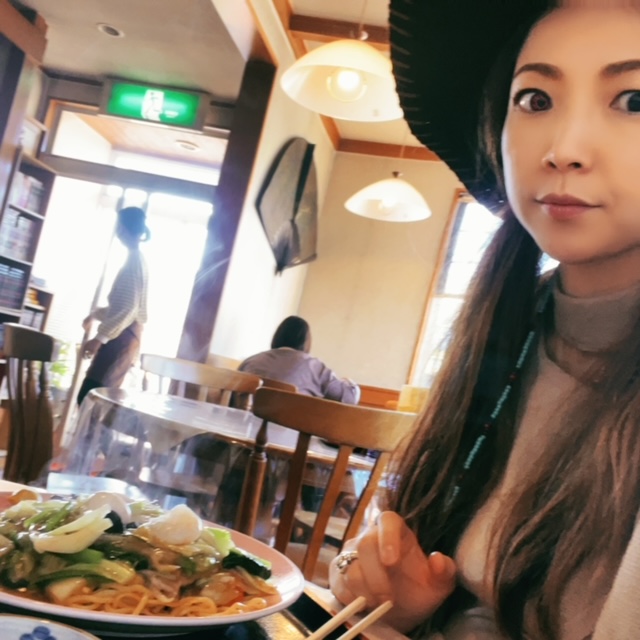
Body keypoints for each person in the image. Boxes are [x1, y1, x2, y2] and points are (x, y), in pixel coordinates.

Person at [329, 2, 640, 639]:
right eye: (535, 99)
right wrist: (402, 604)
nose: (563, 148)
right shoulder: (511, 327)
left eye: (633, 101)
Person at [77, 206, 150, 406]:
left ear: (123, 229)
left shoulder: (134, 262)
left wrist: (99, 338)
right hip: (125, 337)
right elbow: (122, 307)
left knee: (93, 399)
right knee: (94, 398)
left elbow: (127, 309)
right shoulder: (136, 260)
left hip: (122, 339)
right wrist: (95, 315)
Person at [238, 315, 360, 404]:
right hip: (291, 432)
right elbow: (349, 398)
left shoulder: (250, 361)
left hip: (243, 428)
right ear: (306, 341)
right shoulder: (314, 367)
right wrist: (348, 382)